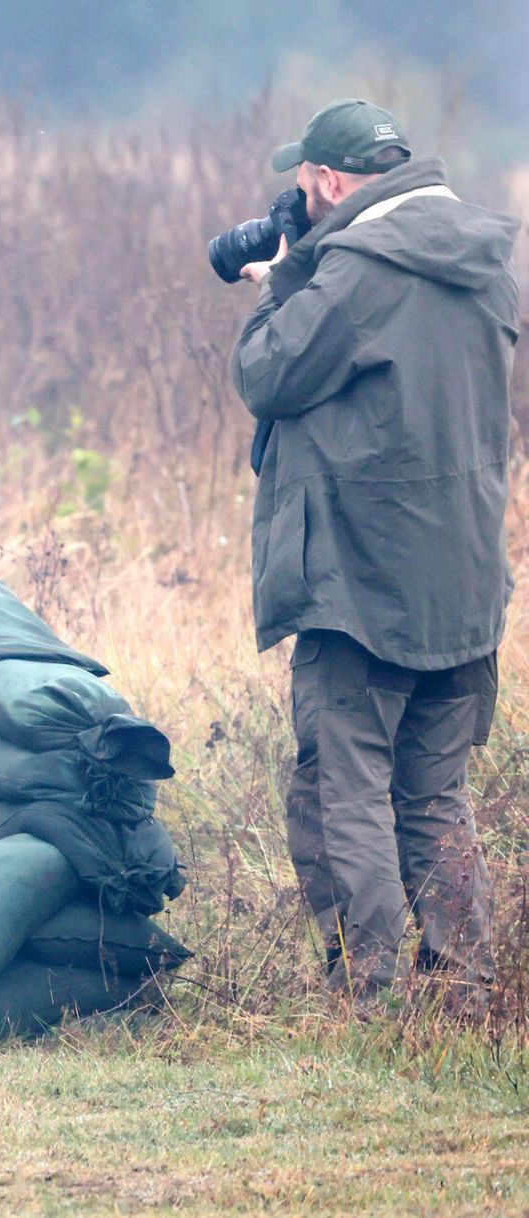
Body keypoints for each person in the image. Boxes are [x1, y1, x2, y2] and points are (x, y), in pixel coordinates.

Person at [231, 99, 520, 1014]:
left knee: (341, 785)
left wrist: (281, 284)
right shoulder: (486, 264)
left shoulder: (357, 273)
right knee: (436, 795)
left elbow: (270, 375)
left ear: (326, 181)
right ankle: (468, 994)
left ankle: (373, 995)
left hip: (359, 575)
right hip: (466, 574)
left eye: (305, 185)